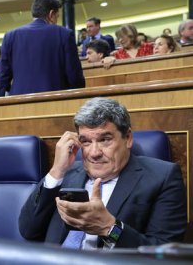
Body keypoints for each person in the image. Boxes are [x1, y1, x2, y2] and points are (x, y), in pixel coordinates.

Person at [19, 97, 186, 249]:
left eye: (105, 140)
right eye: (85, 141)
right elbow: (28, 230)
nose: (94, 152)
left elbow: (163, 255)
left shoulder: (162, 177)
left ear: (127, 138)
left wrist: (108, 228)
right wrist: (56, 171)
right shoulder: (67, 173)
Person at [0, 0, 85, 97]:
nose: (56, 20)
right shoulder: (64, 34)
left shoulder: (10, 35)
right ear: (51, 14)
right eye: (57, 17)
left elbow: (3, 78)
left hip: (18, 102)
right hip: (56, 102)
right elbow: (74, 76)